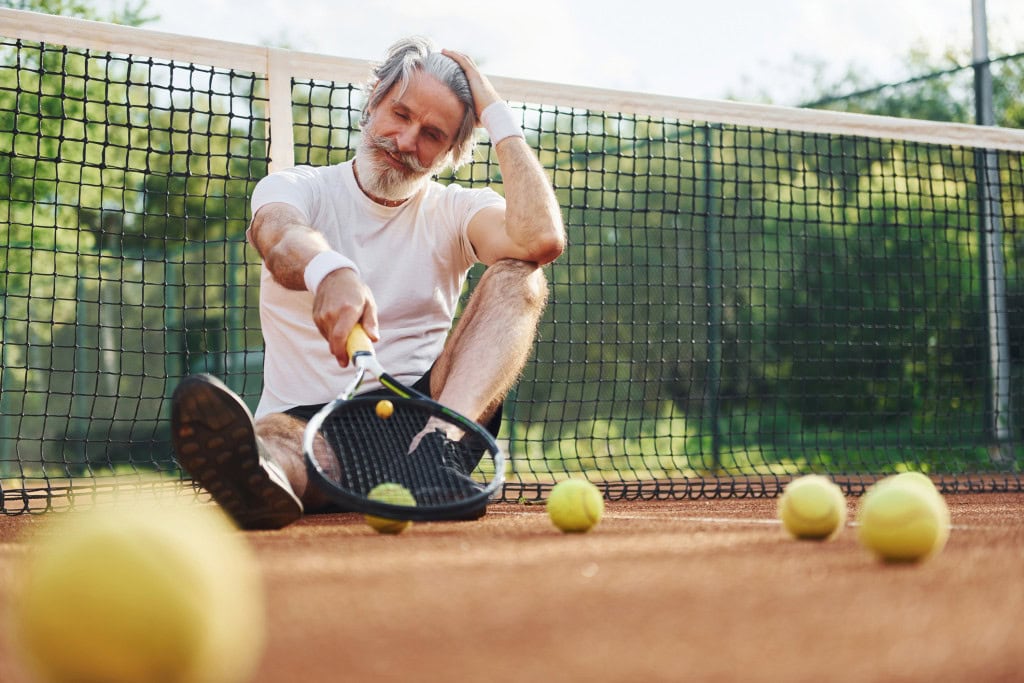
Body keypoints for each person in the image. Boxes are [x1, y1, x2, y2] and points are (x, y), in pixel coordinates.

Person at [171, 37, 565, 529]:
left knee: (519, 276)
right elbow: (278, 236)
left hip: (429, 419)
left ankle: (436, 456)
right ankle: (258, 473)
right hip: (309, 422)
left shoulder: (459, 210)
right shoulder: (298, 188)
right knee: (279, 448)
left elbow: (542, 239)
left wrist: (498, 115)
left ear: (451, 152)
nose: (406, 142)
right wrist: (329, 270)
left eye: (432, 134)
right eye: (400, 114)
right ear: (374, 98)